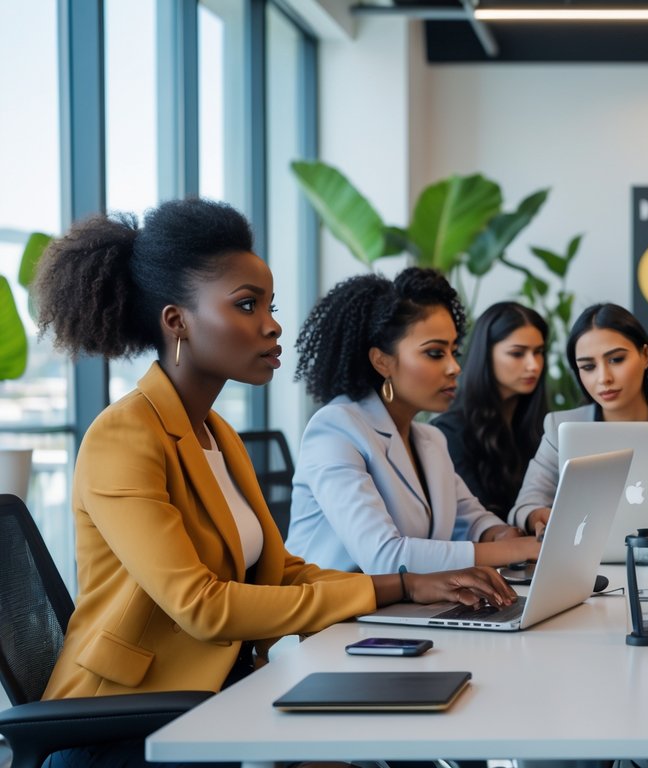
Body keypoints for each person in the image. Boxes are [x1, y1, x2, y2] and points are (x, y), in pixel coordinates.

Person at [31, 200, 514, 768]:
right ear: (176, 321)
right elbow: (203, 607)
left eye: (270, 304)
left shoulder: (218, 435)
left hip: (220, 700)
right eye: (246, 305)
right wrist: (398, 587)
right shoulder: (124, 437)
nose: (272, 324)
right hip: (127, 726)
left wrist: (413, 582)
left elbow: (279, 570)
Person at [286, 268, 539, 574]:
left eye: (453, 351)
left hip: (401, 612)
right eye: (435, 353)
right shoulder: (336, 429)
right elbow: (385, 557)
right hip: (333, 617)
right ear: (382, 361)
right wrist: (513, 549)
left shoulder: (430, 438)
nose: (454, 367)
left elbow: (471, 520)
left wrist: (499, 534)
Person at [509, 303, 648, 536]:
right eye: (588, 366)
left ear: (645, 356)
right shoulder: (562, 428)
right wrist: (536, 516)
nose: (603, 378)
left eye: (616, 360)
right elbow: (524, 506)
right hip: (585, 565)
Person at [432, 301, 549, 517]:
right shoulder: (449, 432)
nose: (534, 365)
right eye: (517, 353)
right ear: (486, 355)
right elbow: (473, 522)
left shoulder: (540, 426)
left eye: (539, 352)